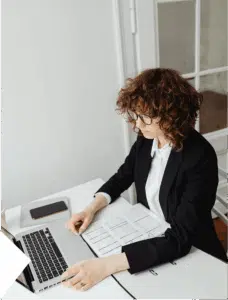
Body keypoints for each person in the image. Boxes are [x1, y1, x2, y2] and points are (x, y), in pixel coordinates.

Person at [61, 68, 228, 291]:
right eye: (135, 115)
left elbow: (180, 238)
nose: (136, 125)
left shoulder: (199, 157)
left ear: (170, 116)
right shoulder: (147, 139)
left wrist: (105, 266)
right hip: (152, 234)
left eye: (144, 117)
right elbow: (124, 175)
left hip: (194, 252)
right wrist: (91, 209)